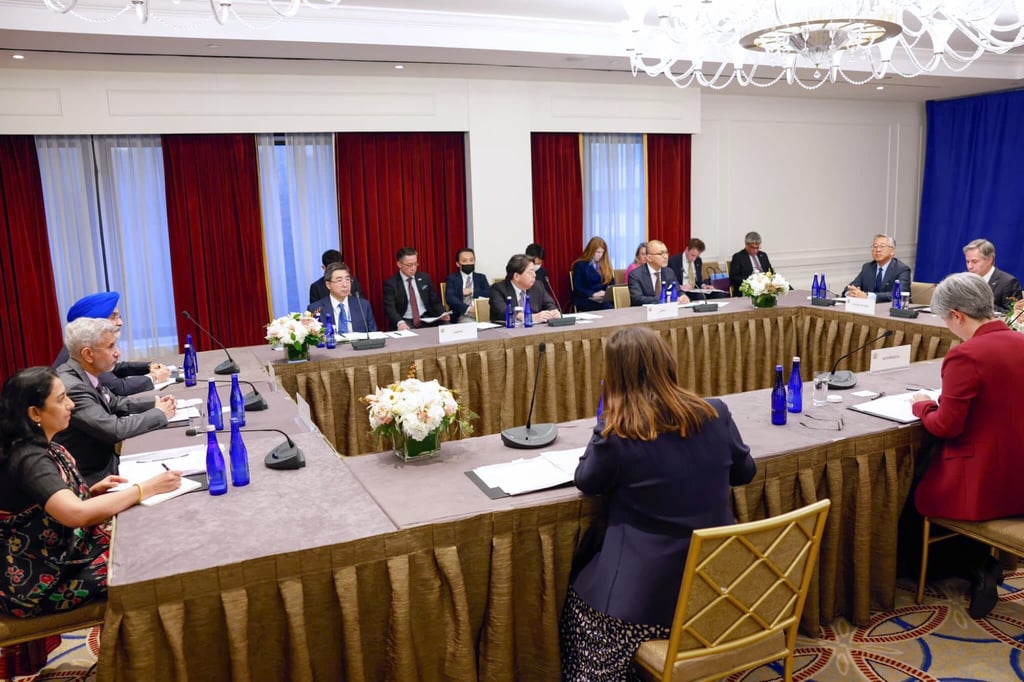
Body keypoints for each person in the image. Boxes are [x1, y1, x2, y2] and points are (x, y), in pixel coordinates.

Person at [560, 327, 755, 679]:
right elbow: (745, 472)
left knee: (577, 599)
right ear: (668, 362)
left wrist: (603, 420)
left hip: (642, 602)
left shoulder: (617, 433)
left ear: (613, 376)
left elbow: (586, 481)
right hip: (716, 585)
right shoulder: (716, 413)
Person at [0, 367, 181, 675]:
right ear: (35, 412)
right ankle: (145, 669)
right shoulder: (29, 457)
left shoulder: (39, 444)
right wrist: (143, 489)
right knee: (147, 570)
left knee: (148, 540)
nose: (70, 405)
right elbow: (76, 514)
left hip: (63, 553)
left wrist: (90, 491)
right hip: (40, 578)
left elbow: (53, 504)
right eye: (61, 399)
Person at [910, 273, 1024, 618]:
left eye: (946, 320)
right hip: (1019, 474)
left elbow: (946, 426)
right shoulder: (1020, 341)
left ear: (958, 315)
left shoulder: (966, 354)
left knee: (915, 491)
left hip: (985, 482)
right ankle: (980, 565)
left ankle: (974, 568)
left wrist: (923, 405)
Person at [54, 318, 176, 485]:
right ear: (88, 354)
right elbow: (113, 429)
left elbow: (114, 402)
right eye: (111, 347)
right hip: (94, 476)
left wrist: (156, 403)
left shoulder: (82, 373)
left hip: (105, 463)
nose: (117, 353)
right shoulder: (74, 387)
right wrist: (159, 414)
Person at [52, 292, 171, 396]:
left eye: (119, 316)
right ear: (93, 322)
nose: (120, 323)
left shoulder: (86, 344)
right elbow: (118, 387)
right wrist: (154, 377)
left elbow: (114, 368)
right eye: (113, 317)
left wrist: (147, 367)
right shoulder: (82, 350)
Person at [382, 247, 450, 331]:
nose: (413, 268)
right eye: (409, 265)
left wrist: (443, 313)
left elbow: (434, 301)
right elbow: (390, 308)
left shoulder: (424, 277)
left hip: (427, 318)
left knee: (448, 328)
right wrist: (400, 322)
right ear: (399, 264)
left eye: (415, 264)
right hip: (406, 319)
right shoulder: (391, 284)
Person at [489, 254, 561, 324]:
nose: (534, 275)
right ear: (516, 276)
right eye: (530, 272)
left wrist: (553, 312)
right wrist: (530, 317)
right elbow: (502, 311)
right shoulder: (497, 289)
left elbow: (549, 304)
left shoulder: (538, 286)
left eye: (534, 271)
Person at [308, 262, 376, 334]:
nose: (345, 285)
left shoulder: (363, 305)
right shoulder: (315, 309)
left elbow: (373, 334)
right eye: (339, 280)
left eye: (347, 279)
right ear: (328, 285)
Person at [844, 234, 912, 303]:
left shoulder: (902, 270)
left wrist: (867, 296)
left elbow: (897, 295)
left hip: (893, 310)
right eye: (875, 246)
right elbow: (851, 287)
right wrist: (850, 293)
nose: (878, 250)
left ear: (892, 251)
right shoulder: (867, 267)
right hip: (870, 309)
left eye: (882, 246)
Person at [962, 238, 1021, 313]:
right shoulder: (966, 281)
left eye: (974, 261)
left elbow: (1013, 315)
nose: (969, 266)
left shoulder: (1008, 283)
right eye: (967, 261)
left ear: (989, 260)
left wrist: (983, 306)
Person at [626, 239, 686, 306]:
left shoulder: (669, 272)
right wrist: (663, 299)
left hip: (668, 313)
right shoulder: (635, 275)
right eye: (660, 254)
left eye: (666, 253)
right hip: (644, 313)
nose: (666, 257)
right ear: (649, 258)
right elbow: (637, 299)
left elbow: (678, 291)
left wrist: (682, 296)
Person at [444, 248, 492, 323]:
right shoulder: (452, 278)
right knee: (471, 326)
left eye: (471, 260)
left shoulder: (481, 277)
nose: (468, 263)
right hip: (463, 314)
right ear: (457, 263)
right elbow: (450, 298)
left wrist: (472, 291)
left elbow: (489, 293)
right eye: (464, 261)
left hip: (482, 313)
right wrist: (469, 309)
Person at [570, 237, 615, 311]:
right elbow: (578, 288)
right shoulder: (580, 265)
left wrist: (606, 293)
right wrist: (593, 294)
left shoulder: (605, 265)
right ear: (591, 251)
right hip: (585, 298)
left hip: (602, 298)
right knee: (607, 306)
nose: (600, 255)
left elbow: (611, 283)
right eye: (597, 252)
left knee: (614, 303)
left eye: (602, 252)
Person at [728, 231, 775, 296]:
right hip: (750, 287)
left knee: (787, 287)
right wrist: (751, 279)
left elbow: (771, 272)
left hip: (765, 286)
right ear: (746, 245)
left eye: (757, 247)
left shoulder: (763, 255)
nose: (755, 250)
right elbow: (733, 278)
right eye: (752, 248)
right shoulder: (738, 257)